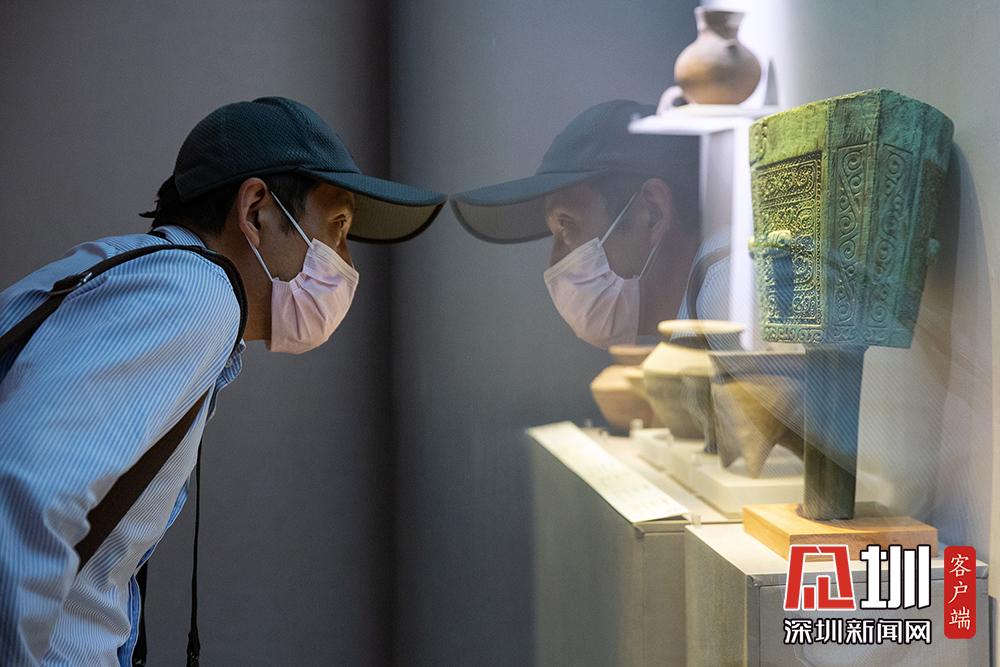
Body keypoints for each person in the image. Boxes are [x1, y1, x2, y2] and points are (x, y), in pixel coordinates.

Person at [0, 96, 445, 666]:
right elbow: (22, 495)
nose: (345, 263)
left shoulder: (138, 270)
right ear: (256, 210)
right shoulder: (192, 292)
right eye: (337, 228)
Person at [451, 99, 730, 349]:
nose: (553, 262)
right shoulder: (701, 333)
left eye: (565, 225)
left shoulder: (731, 305)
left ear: (651, 212)